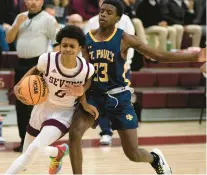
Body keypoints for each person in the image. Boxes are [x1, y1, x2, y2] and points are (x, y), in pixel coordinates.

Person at [67, 0, 203, 174]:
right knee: (75, 134)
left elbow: (159, 55)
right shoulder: (87, 39)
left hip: (118, 98)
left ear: (118, 18)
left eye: (109, 13)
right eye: (102, 11)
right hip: (94, 95)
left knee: (133, 153)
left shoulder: (125, 38)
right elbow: (84, 74)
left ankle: (155, 159)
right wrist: (84, 102)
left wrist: (193, 57)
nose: (103, 15)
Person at [4, 25, 97, 175]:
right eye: (64, 45)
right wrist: (20, 84)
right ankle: (56, 152)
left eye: (72, 46)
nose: (67, 49)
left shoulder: (86, 69)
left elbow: (88, 81)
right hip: (42, 106)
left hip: (63, 113)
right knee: (27, 152)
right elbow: (35, 70)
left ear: (79, 48)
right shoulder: (47, 59)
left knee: (33, 149)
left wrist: (83, 95)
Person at [6, 0, 57, 152]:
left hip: (38, 65)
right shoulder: (20, 17)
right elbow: (9, 39)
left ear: (42, 2)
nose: (33, 2)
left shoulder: (48, 19)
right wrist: (16, 25)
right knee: (21, 102)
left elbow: (57, 43)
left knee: (37, 104)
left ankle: (39, 142)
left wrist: (51, 66)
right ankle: (24, 141)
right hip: (20, 64)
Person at [84, 0, 135, 145]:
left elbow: (130, 43)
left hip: (120, 68)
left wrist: (127, 63)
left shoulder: (125, 20)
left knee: (118, 104)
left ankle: (122, 130)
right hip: (98, 71)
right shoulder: (92, 22)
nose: (104, 14)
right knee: (101, 103)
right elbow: (85, 46)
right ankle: (105, 132)